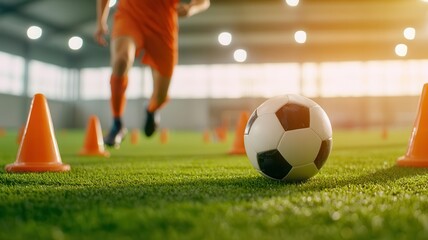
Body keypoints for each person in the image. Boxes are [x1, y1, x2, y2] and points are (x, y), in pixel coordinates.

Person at [94, 0, 210, 148]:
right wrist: (100, 22)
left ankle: (151, 109)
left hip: (163, 26)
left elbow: (204, 2)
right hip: (130, 16)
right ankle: (117, 123)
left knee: (161, 96)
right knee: (121, 60)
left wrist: (191, 8)